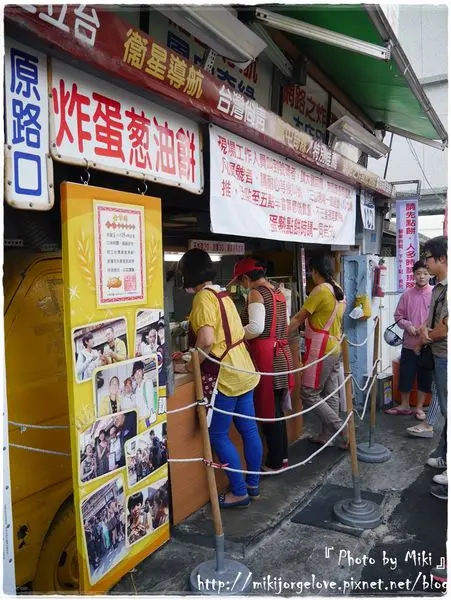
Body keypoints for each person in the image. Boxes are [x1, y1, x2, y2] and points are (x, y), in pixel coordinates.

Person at [174, 249, 263, 508]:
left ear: (188, 274)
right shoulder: (222, 293)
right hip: (244, 369)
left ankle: (239, 492)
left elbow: (206, 341)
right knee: (249, 430)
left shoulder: (203, 297)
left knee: (217, 435)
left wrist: (189, 365)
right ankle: (253, 486)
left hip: (226, 376)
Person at [232, 257, 294, 471]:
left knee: (269, 411)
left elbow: (256, 328)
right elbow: (285, 323)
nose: (241, 285)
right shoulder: (278, 292)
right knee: (276, 410)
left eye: (240, 281)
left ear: (246, 278)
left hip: (267, 357)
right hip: (281, 354)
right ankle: (282, 458)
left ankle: (275, 462)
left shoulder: (256, 293)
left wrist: (234, 335)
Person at [288, 255, 347, 448]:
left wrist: (280, 335)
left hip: (321, 348)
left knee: (308, 394)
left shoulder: (320, 290)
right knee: (331, 392)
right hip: (335, 346)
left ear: (315, 271)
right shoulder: (337, 288)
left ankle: (342, 429)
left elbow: (298, 318)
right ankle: (328, 435)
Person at [416, 236, 448, 498]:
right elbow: (432, 322)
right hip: (438, 355)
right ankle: (445, 457)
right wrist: (425, 332)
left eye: (428, 258)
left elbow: (444, 329)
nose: (425, 263)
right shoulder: (439, 288)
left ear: (442, 258)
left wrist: (426, 337)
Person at [386, 260, 433, 418]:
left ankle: (419, 408)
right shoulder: (406, 295)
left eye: (425, 273)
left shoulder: (435, 293)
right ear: (413, 275)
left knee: (424, 377)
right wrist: (408, 326)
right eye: (418, 273)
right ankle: (404, 405)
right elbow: (398, 316)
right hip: (409, 344)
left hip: (428, 345)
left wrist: (426, 328)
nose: (422, 277)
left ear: (430, 275)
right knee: (406, 374)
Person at [132, 361, 157, 427]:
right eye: (135, 372)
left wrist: (146, 424)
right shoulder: (135, 390)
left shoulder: (147, 383)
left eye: (139, 371)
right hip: (141, 422)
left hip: (148, 422)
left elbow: (152, 411)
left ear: (143, 371)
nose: (137, 374)